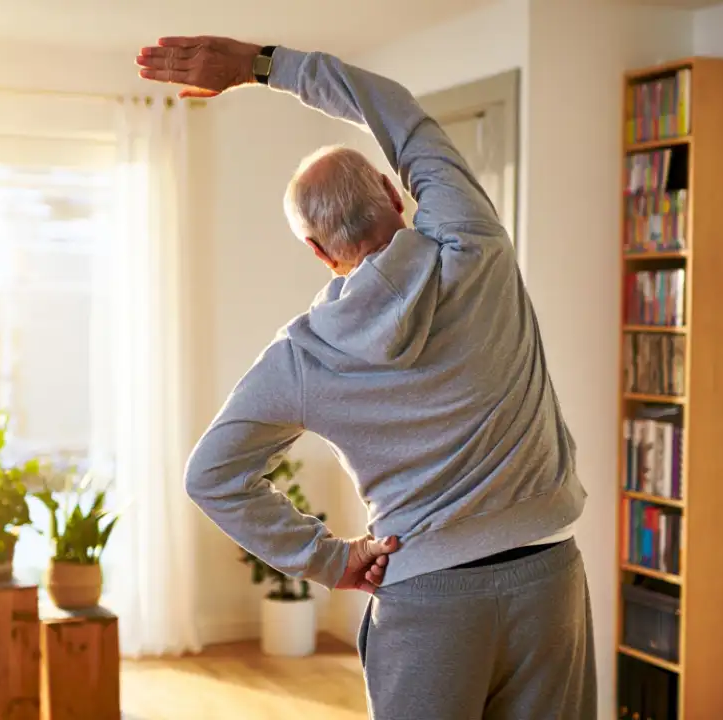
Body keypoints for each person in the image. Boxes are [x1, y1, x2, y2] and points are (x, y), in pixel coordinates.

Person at [136, 38, 596, 720]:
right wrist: (257, 65)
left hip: (428, 601)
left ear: (318, 252)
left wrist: (330, 561)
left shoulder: (302, 357)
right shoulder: (476, 245)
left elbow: (211, 475)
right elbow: (399, 113)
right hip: (548, 583)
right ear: (393, 192)